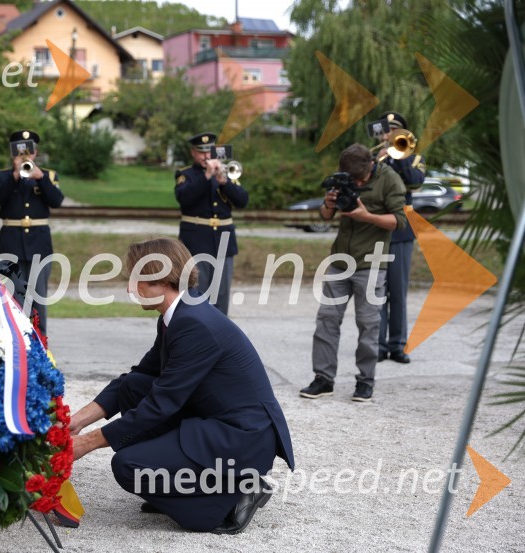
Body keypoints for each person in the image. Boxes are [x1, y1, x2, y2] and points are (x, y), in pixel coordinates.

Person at [70, 237, 294, 534]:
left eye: (135, 279)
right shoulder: (178, 313)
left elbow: (162, 403)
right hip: (217, 421)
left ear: (161, 281)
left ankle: (238, 493)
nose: (128, 288)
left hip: (241, 438)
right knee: (135, 386)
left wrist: (86, 444)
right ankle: (179, 489)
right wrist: (74, 423)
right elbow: (137, 379)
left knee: (127, 465)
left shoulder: (193, 323)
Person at [300, 144, 408, 403]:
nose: (356, 182)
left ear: (371, 164)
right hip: (340, 261)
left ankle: (365, 381)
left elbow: (399, 222)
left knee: (368, 324)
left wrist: (366, 216)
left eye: (360, 179)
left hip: (371, 262)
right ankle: (323, 379)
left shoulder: (390, 180)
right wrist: (328, 205)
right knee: (326, 320)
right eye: (353, 178)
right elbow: (326, 216)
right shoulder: (343, 178)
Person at [0, 130, 64, 335]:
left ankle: (40, 343)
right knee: (12, 294)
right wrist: (15, 174)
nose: (24, 156)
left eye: (28, 151)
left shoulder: (47, 175)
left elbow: (56, 201)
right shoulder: (1, 176)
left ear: (35, 152)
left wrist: (40, 178)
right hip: (11, 242)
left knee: (38, 297)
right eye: (19, 151)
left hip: (39, 243)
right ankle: (15, 340)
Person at [174, 132, 248, 315]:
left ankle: (220, 336)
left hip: (223, 240)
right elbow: (184, 199)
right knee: (196, 292)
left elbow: (242, 201)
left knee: (221, 295)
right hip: (196, 242)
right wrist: (206, 176)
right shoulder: (186, 175)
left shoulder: (225, 174)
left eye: (210, 152)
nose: (207, 156)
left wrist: (224, 183)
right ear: (193, 152)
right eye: (202, 152)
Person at [375, 111, 426, 364]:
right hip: (375, 230)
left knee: (398, 291)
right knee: (377, 291)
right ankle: (378, 345)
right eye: (388, 131)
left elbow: (415, 183)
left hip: (402, 231)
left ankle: (397, 345)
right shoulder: (373, 157)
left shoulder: (413, 157)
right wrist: (379, 160)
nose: (390, 135)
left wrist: (400, 155)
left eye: (396, 131)